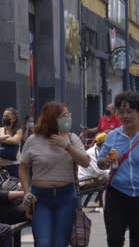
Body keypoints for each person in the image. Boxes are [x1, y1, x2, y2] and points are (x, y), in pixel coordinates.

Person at [97, 91, 139, 247]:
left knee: (138, 241)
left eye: (129, 111)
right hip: (117, 194)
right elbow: (100, 162)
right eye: (121, 112)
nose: (125, 116)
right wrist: (105, 161)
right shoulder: (113, 136)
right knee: (114, 240)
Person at [19, 102, 90, 246]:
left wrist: (67, 146)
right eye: (64, 116)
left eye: (69, 115)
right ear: (52, 118)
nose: (68, 119)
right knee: (43, 242)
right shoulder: (33, 140)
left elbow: (85, 162)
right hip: (40, 198)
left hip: (66, 197)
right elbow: (23, 167)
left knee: (60, 242)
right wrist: (26, 191)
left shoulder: (72, 138)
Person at [0, 108, 23, 178]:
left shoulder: (18, 130)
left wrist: (1, 139)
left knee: (14, 187)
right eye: (4, 116)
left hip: (14, 166)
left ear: (14, 119)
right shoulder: (0, 129)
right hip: (1, 166)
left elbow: (14, 141)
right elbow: (11, 139)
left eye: (7, 116)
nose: (4, 118)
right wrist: (7, 136)